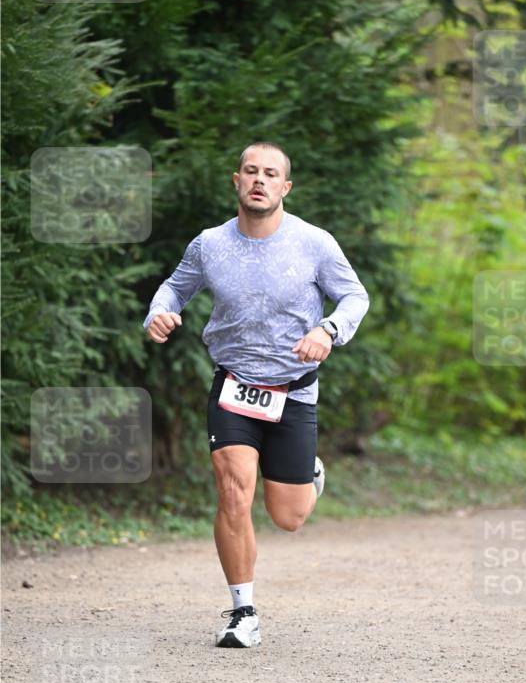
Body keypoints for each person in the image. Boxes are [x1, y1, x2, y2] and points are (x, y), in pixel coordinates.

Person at [144, 142, 370, 648]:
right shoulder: (210, 244)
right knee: (232, 490)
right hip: (234, 385)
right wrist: (158, 312)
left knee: (288, 517)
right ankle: (242, 612)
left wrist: (328, 330)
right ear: (237, 181)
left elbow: (355, 296)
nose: (259, 180)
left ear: (285, 187)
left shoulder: (314, 243)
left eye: (270, 174)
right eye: (251, 171)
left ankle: (308, 474)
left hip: (294, 391)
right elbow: (174, 289)